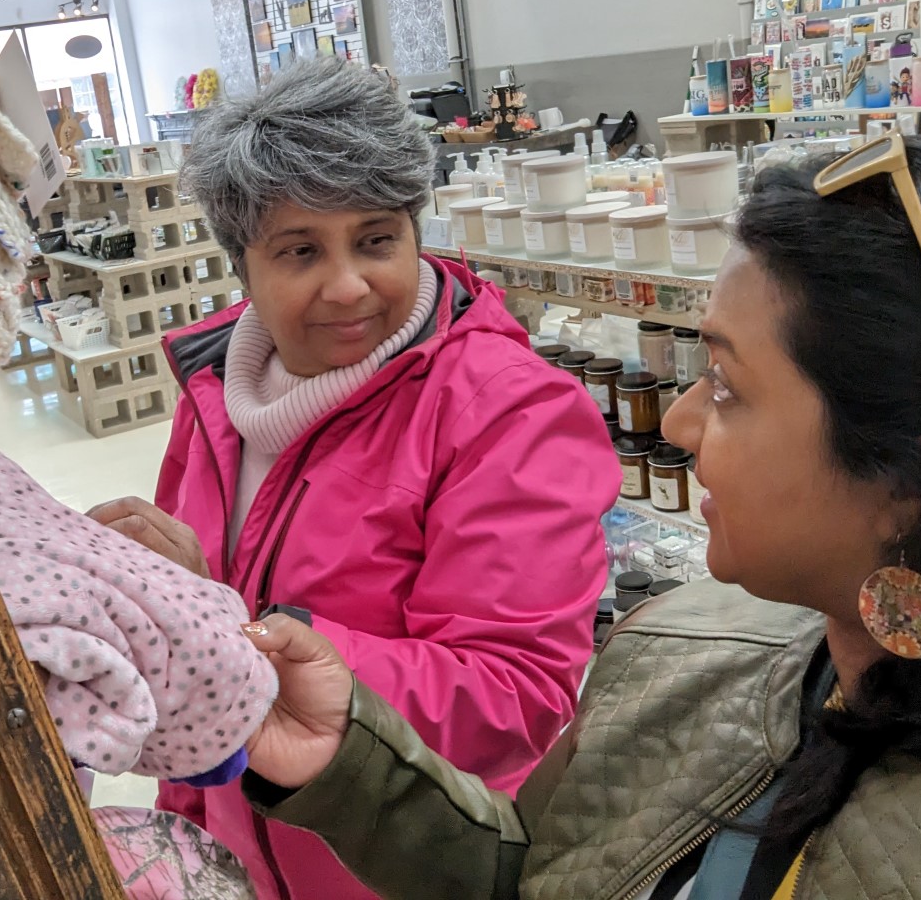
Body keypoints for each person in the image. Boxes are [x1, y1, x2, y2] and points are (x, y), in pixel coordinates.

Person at [232, 134, 921, 899]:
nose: (674, 419)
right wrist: (349, 761)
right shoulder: (683, 648)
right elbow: (552, 877)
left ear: (907, 482)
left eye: (724, 384)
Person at [90, 59, 616, 900]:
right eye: (300, 251)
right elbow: (190, 667)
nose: (347, 286)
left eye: (376, 239)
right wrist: (186, 834)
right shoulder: (215, 395)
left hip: (405, 862)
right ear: (244, 267)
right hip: (247, 853)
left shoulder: (505, 411)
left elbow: (511, 699)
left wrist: (230, 629)